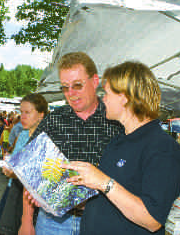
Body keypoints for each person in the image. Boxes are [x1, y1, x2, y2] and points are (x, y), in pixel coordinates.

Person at [62, 61, 180, 234]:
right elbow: (108, 202)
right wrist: (61, 198)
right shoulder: (117, 142)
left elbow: (153, 219)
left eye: (106, 93)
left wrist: (103, 181)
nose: (102, 98)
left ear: (125, 96)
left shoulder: (163, 147)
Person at [20, 52, 123, 235]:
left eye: (77, 85)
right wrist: (26, 221)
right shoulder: (54, 120)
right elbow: (31, 171)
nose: (71, 94)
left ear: (94, 81)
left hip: (102, 222)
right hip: (53, 223)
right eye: (65, 88)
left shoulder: (116, 120)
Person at [0, 93, 49, 235]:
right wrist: (9, 159)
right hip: (13, 189)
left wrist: (15, 173)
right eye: (21, 112)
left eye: (27, 112)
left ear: (41, 114)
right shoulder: (23, 134)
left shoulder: (46, 138)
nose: (22, 116)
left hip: (31, 198)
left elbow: (42, 174)